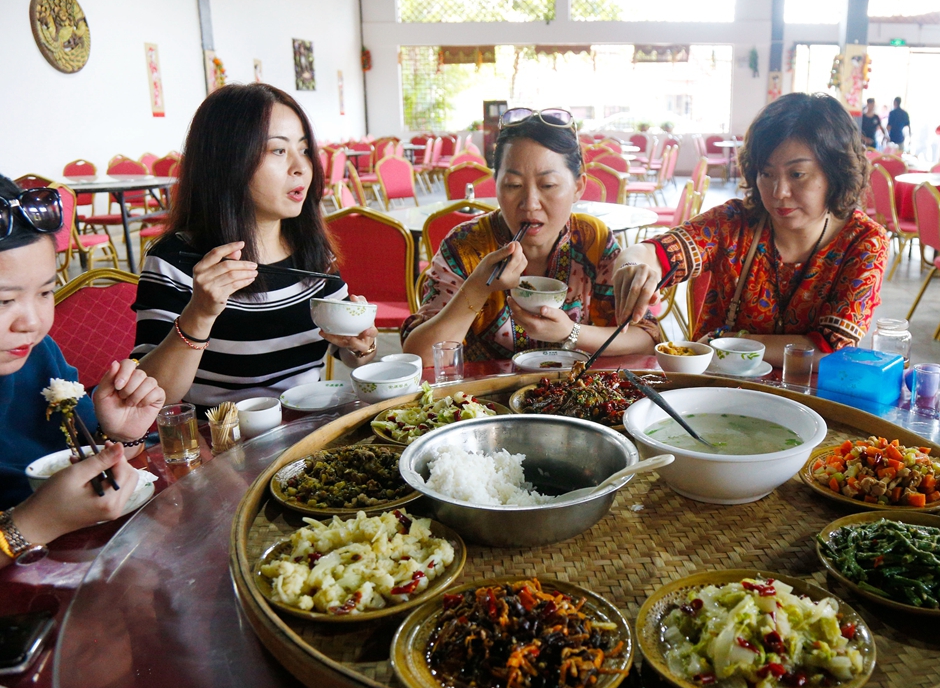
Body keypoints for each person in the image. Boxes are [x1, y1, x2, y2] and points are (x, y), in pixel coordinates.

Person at [132, 84, 378, 406]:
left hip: (305, 436)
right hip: (219, 444)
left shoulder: (311, 251)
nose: (301, 167)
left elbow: (348, 354)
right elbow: (153, 397)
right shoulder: (176, 262)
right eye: (278, 150)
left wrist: (361, 347)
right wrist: (200, 315)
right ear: (228, 161)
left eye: (304, 150)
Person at [612, 93, 889, 367]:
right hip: (715, 391)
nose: (779, 192)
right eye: (766, 174)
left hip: (810, 398)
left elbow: (829, 349)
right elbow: (655, 252)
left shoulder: (863, 242)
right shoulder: (733, 224)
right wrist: (635, 266)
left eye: (797, 174)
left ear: (835, 172)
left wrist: (726, 341)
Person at [402, 108, 659, 364]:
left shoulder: (593, 239)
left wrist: (571, 332)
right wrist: (478, 286)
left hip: (573, 397)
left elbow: (646, 338)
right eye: (513, 185)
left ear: (578, 187)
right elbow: (418, 356)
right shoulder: (466, 244)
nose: (530, 203)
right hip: (481, 401)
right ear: (496, 184)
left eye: (548, 185)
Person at [0, 176, 166, 567]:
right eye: (5, 300)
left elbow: (100, 459)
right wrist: (35, 523)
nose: (33, 322)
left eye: (44, 292)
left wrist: (121, 435)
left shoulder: (37, 355)